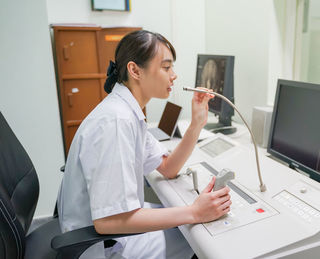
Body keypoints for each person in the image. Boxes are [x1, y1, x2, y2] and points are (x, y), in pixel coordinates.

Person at [56, 30, 232, 259]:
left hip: (116, 227)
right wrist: (194, 212)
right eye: (166, 67)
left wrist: (197, 123)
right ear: (135, 70)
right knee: (199, 238)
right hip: (104, 245)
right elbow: (108, 222)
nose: (174, 75)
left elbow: (168, 168)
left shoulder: (128, 113)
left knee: (191, 226)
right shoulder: (116, 121)